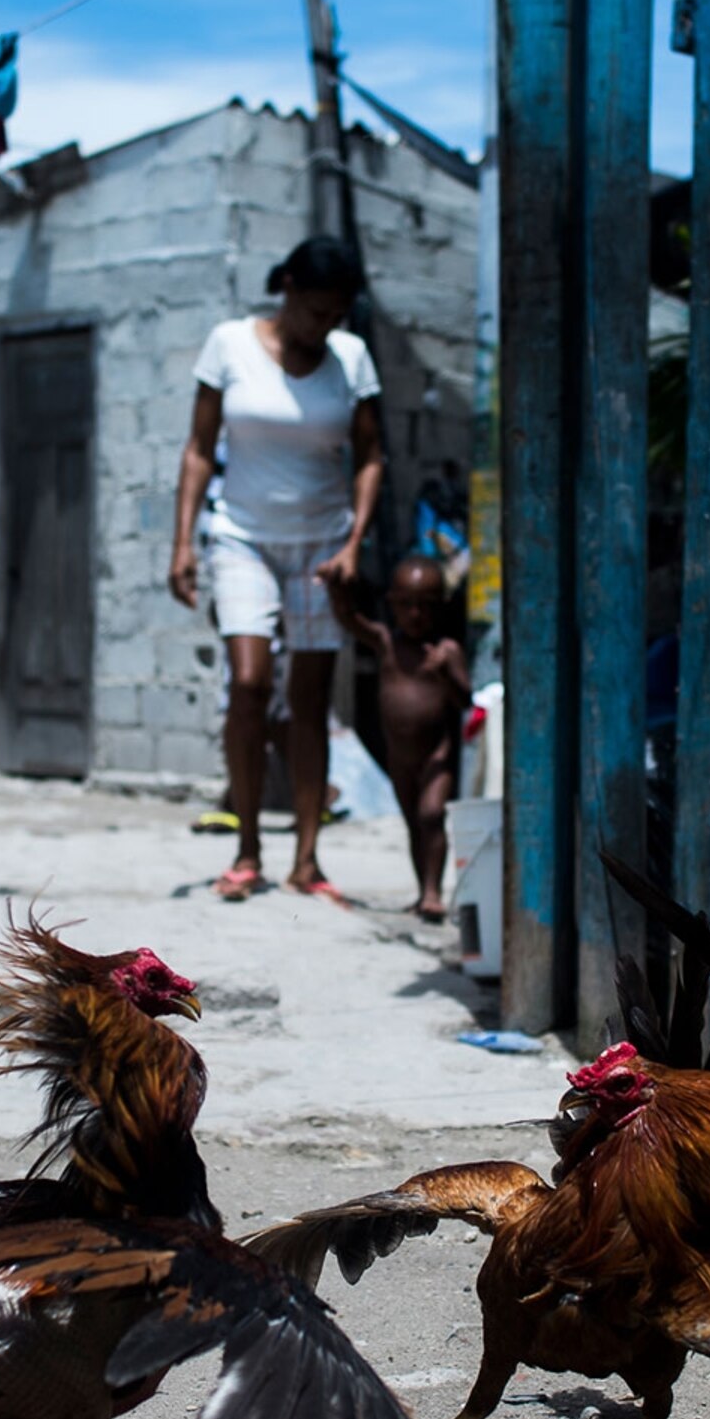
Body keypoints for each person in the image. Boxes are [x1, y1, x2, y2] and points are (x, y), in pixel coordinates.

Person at [169, 236, 387, 902]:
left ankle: (307, 860)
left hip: (321, 548)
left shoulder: (349, 358)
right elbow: (200, 449)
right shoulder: (228, 344)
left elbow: (372, 457)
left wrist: (354, 544)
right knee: (249, 681)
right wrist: (183, 543)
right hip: (242, 539)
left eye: (336, 316)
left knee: (311, 703)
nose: (324, 327)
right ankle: (246, 852)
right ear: (287, 287)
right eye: (316, 311)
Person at [330, 556, 471, 922]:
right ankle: (420, 887)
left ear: (440, 607)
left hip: (435, 754)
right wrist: (337, 588)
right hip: (399, 757)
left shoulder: (446, 651)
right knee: (414, 822)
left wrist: (445, 675)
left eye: (425, 606)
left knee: (431, 815)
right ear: (392, 604)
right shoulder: (386, 643)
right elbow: (349, 621)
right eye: (407, 605)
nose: (415, 614)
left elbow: (464, 701)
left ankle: (433, 892)